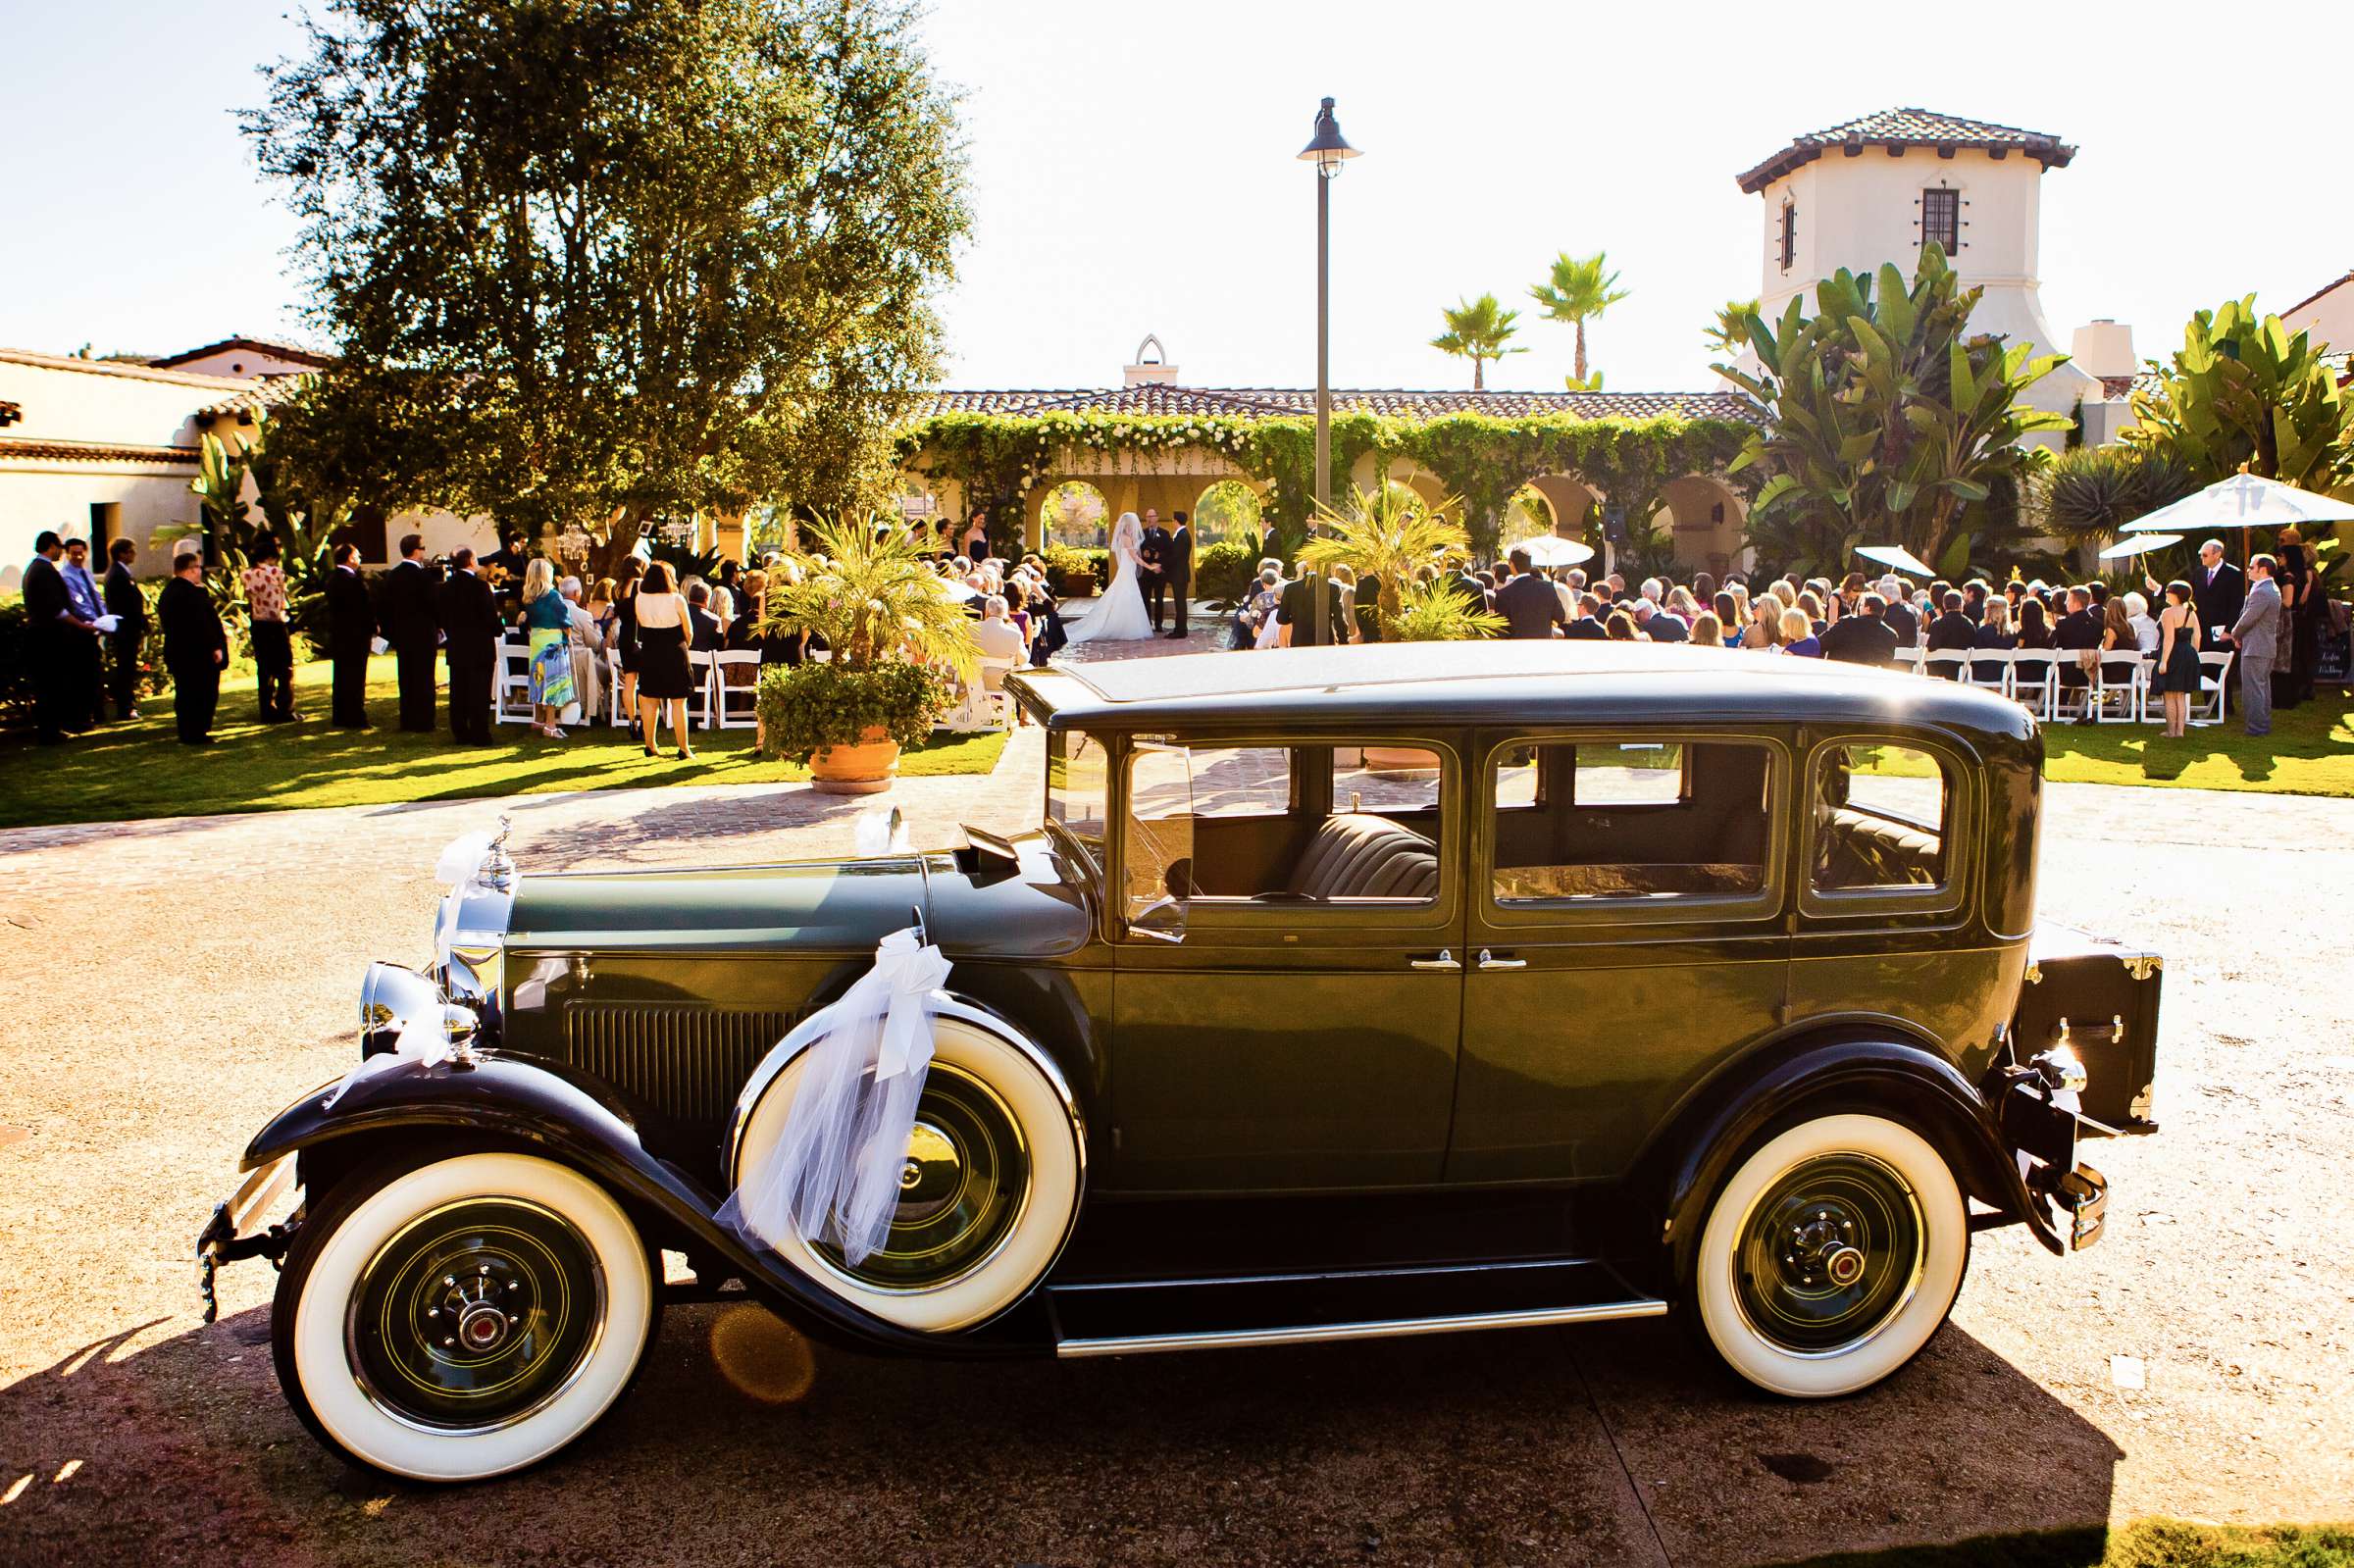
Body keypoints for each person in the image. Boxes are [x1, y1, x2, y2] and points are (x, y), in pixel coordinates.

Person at [158, 547, 227, 744]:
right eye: (197, 567)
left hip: (179, 651)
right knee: (200, 692)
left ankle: (188, 731)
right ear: (188, 570)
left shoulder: (169, 591)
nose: (199, 571)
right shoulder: (190, 593)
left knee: (186, 693)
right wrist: (215, 646)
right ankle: (196, 731)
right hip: (196, 653)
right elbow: (200, 623)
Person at [632, 560, 696, 759]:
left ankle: (650, 745)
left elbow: (641, 624)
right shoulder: (676, 599)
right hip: (675, 650)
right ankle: (684, 748)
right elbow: (688, 631)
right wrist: (685, 645)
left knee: (649, 699)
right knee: (678, 702)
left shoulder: (639, 599)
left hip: (650, 651)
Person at [436, 547, 501, 745]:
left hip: (458, 646)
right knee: (479, 692)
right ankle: (480, 733)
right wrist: (498, 627)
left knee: (459, 691)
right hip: (480, 647)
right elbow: (490, 617)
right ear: (470, 561)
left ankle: (460, 731)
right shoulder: (481, 587)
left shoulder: (446, 587)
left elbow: (441, 616)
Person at [21, 531, 77, 742]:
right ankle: (50, 731)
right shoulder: (44, 570)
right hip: (47, 636)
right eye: (59, 548)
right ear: (51, 546)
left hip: (41, 635)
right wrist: (80, 624)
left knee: (47, 684)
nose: (60, 553)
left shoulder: (33, 569)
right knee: (50, 685)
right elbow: (56, 608)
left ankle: (51, 729)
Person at [382, 533, 441, 732]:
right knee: (424, 678)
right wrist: (440, 626)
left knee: (406, 678)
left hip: (402, 634)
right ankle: (424, 720)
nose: (425, 552)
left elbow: (387, 607)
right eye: (423, 548)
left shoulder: (393, 575)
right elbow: (433, 605)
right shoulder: (423, 576)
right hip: (423, 634)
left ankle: (407, 718)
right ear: (416, 551)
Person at [1065, 510, 1154, 643]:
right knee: (1124, 595)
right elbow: (1134, 557)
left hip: (1128, 571)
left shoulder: (1128, 536)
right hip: (1126, 571)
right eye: (1131, 524)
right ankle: (1122, 627)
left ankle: (1128, 624)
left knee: (1128, 597)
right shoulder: (1125, 537)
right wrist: (1149, 566)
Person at [241, 537, 297, 723]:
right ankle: (285, 708)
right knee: (284, 667)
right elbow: (282, 598)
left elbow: (250, 597)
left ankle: (267, 709)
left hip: (259, 624)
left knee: (264, 669)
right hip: (276, 622)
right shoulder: (277, 572)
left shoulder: (247, 575)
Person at [2226, 554, 2282, 738]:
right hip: (2262, 645)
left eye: (2251, 567)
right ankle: (2261, 725)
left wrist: (2234, 634)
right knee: (2261, 687)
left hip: (2257, 646)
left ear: (2263, 569)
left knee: (2254, 688)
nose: (2248, 570)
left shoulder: (2262, 591)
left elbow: (2248, 618)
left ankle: (2257, 727)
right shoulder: (2267, 589)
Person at [518, 558, 574, 739]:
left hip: (536, 639)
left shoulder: (528, 597)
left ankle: (538, 719)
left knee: (538, 678)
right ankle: (550, 725)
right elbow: (564, 620)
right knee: (553, 683)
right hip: (552, 640)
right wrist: (568, 636)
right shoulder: (553, 595)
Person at [323, 543, 375, 729]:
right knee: (355, 676)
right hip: (356, 635)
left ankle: (340, 715)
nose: (359, 559)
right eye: (357, 556)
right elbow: (363, 609)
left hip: (339, 634)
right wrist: (373, 627)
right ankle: (355, 716)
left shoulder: (331, 579)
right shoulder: (353, 581)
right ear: (350, 558)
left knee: (341, 675)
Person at [102, 537, 146, 722]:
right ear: (122, 553)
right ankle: (125, 707)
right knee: (125, 668)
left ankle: (128, 704)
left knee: (128, 667)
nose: (134, 554)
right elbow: (127, 604)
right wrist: (141, 621)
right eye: (131, 551)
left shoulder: (121, 572)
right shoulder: (117, 575)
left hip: (128, 627)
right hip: (125, 628)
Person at [2172, 540, 2244, 647]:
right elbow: (2185, 592)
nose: (2201, 557)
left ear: (2217, 555)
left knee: (2218, 660)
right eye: (2200, 554)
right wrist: (2158, 589)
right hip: (2201, 630)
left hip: (2221, 631)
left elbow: (2237, 605)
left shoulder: (2234, 574)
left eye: (2205, 555)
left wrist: (2229, 630)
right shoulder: (2199, 572)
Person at [2155, 580, 2202, 738]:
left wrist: (2163, 661)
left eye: (2168, 590)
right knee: (2181, 695)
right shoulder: (2191, 613)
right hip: (2188, 653)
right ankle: (2180, 731)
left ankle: (2171, 731)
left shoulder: (2168, 613)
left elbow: (2169, 638)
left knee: (2169, 694)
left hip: (2173, 654)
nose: (2166, 593)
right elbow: (2197, 637)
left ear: (2175, 595)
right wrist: (2193, 655)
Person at [1494, 546, 1568, 638]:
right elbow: (1560, 616)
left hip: (1516, 649)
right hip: (1542, 647)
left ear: (1511, 564)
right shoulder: (1547, 588)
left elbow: (1500, 631)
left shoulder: (1503, 595)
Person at [1277, 561, 1353, 647]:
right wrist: (1344, 643)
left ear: (1305, 569)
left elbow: (1281, 619)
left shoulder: (1290, 588)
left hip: (1299, 641)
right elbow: (1339, 620)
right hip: (1325, 641)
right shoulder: (1333, 588)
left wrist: (1296, 617)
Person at [613, 555, 647, 739]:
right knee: (645, 682)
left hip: (625, 634)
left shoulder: (616, 588)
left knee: (629, 681)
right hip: (639, 634)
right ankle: (643, 720)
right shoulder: (640, 585)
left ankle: (632, 721)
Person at [1819, 592, 1900, 666]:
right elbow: (1886, 662)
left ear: (1867, 608)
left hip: (1839, 672)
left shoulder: (1847, 622)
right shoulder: (1890, 635)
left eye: (1861, 605)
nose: (1859, 609)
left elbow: (1822, 642)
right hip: (1869, 678)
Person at [1159, 510, 1194, 638]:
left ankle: (1181, 630)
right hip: (1180, 574)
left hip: (1179, 575)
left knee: (1180, 603)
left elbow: (1175, 557)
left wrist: (1161, 565)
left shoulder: (1182, 536)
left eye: (1173, 520)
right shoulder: (1182, 534)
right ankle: (1179, 629)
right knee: (1180, 603)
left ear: (1176, 521)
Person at [1970, 597, 2018, 683]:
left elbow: (1975, 658)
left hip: (1981, 675)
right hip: (2003, 675)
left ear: (1988, 612)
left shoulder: (1982, 631)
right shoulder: (2011, 633)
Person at [686, 582, 724, 652]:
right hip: (705, 661)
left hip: (682, 659)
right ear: (707, 599)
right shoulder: (714, 620)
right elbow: (720, 646)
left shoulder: (680, 615)